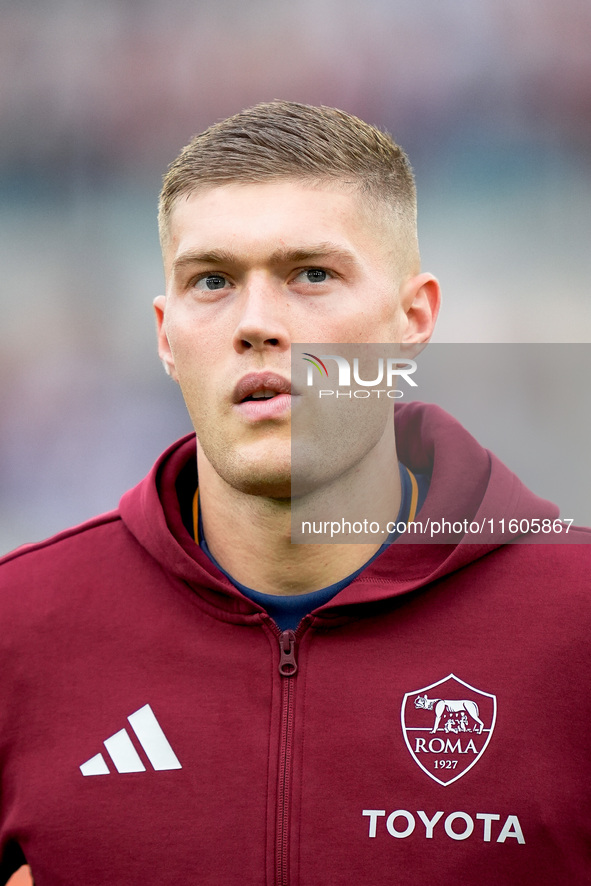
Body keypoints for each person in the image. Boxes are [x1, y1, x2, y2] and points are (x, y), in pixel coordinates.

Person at [0, 101, 589, 886]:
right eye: (211, 280)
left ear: (412, 317)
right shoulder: (20, 629)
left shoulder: (572, 626)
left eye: (310, 274)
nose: (257, 323)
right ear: (165, 335)